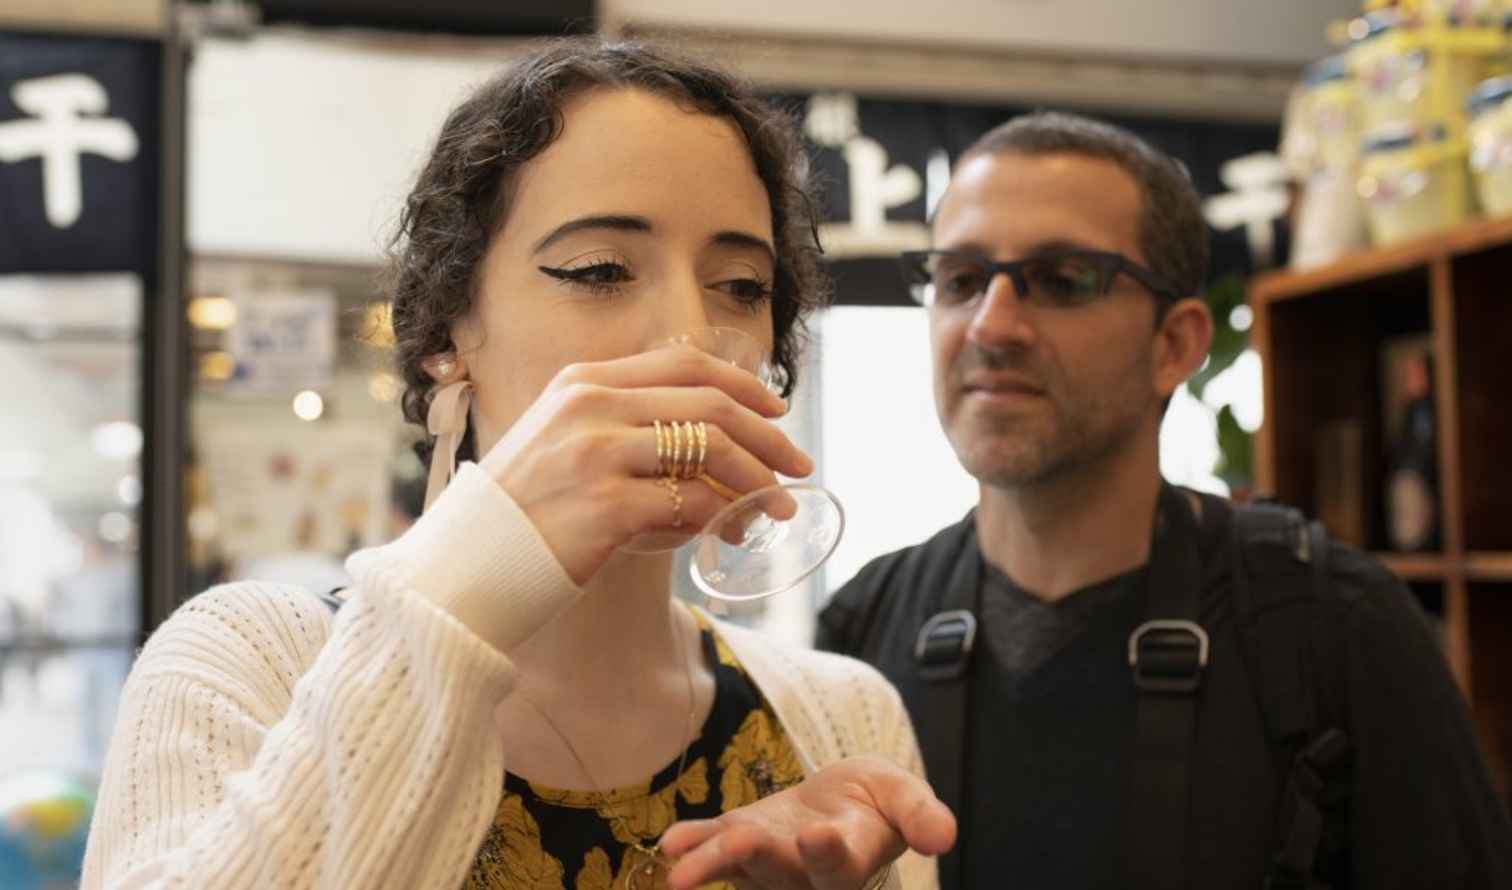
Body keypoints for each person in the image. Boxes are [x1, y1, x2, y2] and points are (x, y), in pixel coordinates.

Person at [82, 40, 954, 890]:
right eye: (600, 269)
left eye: (741, 287)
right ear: (447, 336)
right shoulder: (252, 665)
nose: (690, 337)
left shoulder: (841, 716)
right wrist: (476, 565)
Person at [817, 111, 1512, 889]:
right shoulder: (862, 629)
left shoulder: (1330, 629)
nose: (993, 323)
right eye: (961, 279)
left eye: (1064, 279)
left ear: (1176, 344)